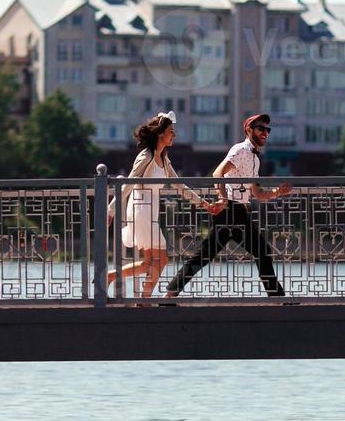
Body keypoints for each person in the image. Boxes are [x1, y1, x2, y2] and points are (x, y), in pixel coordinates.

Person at [165, 113, 292, 300]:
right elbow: (218, 174)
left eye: (268, 129)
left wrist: (277, 193)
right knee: (258, 251)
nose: (265, 132)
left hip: (238, 211)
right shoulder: (240, 150)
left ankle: (170, 294)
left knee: (206, 255)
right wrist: (223, 198)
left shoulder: (255, 158)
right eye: (261, 128)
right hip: (231, 210)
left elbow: (257, 193)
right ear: (249, 130)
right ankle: (279, 298)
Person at [106, 112, 226, 301]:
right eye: (171, 131)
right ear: (160, 134)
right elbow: (128, 183)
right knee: (161, 259)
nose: (174, 135)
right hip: (141, 207)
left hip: (149, 208)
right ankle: (144, 300)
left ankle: (111, 277)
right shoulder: (146, 156)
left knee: (149, 263)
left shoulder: (163, 158)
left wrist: (203, 203)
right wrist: (111, 210)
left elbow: (179, 185)